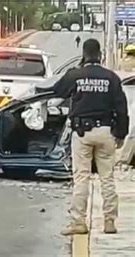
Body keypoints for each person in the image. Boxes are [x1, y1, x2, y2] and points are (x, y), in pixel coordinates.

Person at [46, 39, 129, 236]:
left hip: (82, 133)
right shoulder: (112, 78)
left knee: (81, 178)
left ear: (84, 54)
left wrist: (77, 72)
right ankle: (109, 221)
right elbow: (122, 109)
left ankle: (78, 223)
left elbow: (57, 91)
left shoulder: (76, 74)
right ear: (100, 55)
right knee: (107, 178)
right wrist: (121, 134)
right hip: (106, 132)